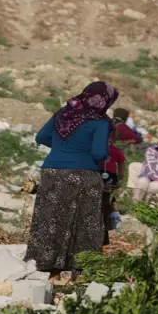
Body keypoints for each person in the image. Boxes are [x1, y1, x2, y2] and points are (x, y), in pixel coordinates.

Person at [26, 82, 118, 277]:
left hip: (52, 171)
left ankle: (48, 269)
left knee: (50, 219)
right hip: (83, 175)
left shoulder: (63, 113)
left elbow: (42, 137)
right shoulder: (100, 121)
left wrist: (62, 147)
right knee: (85, 223)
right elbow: (98, 152)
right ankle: (79, 269)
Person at [100, 142, 125, 244]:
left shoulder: (114, 150)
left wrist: (120, 176)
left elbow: (121, 161)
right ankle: (111, 216)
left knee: (108, 201)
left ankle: (111, 217)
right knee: (108, 201)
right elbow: (122, 162)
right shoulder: (115, 149)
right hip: (106, 175)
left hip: (103, 174)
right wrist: (120, 175)